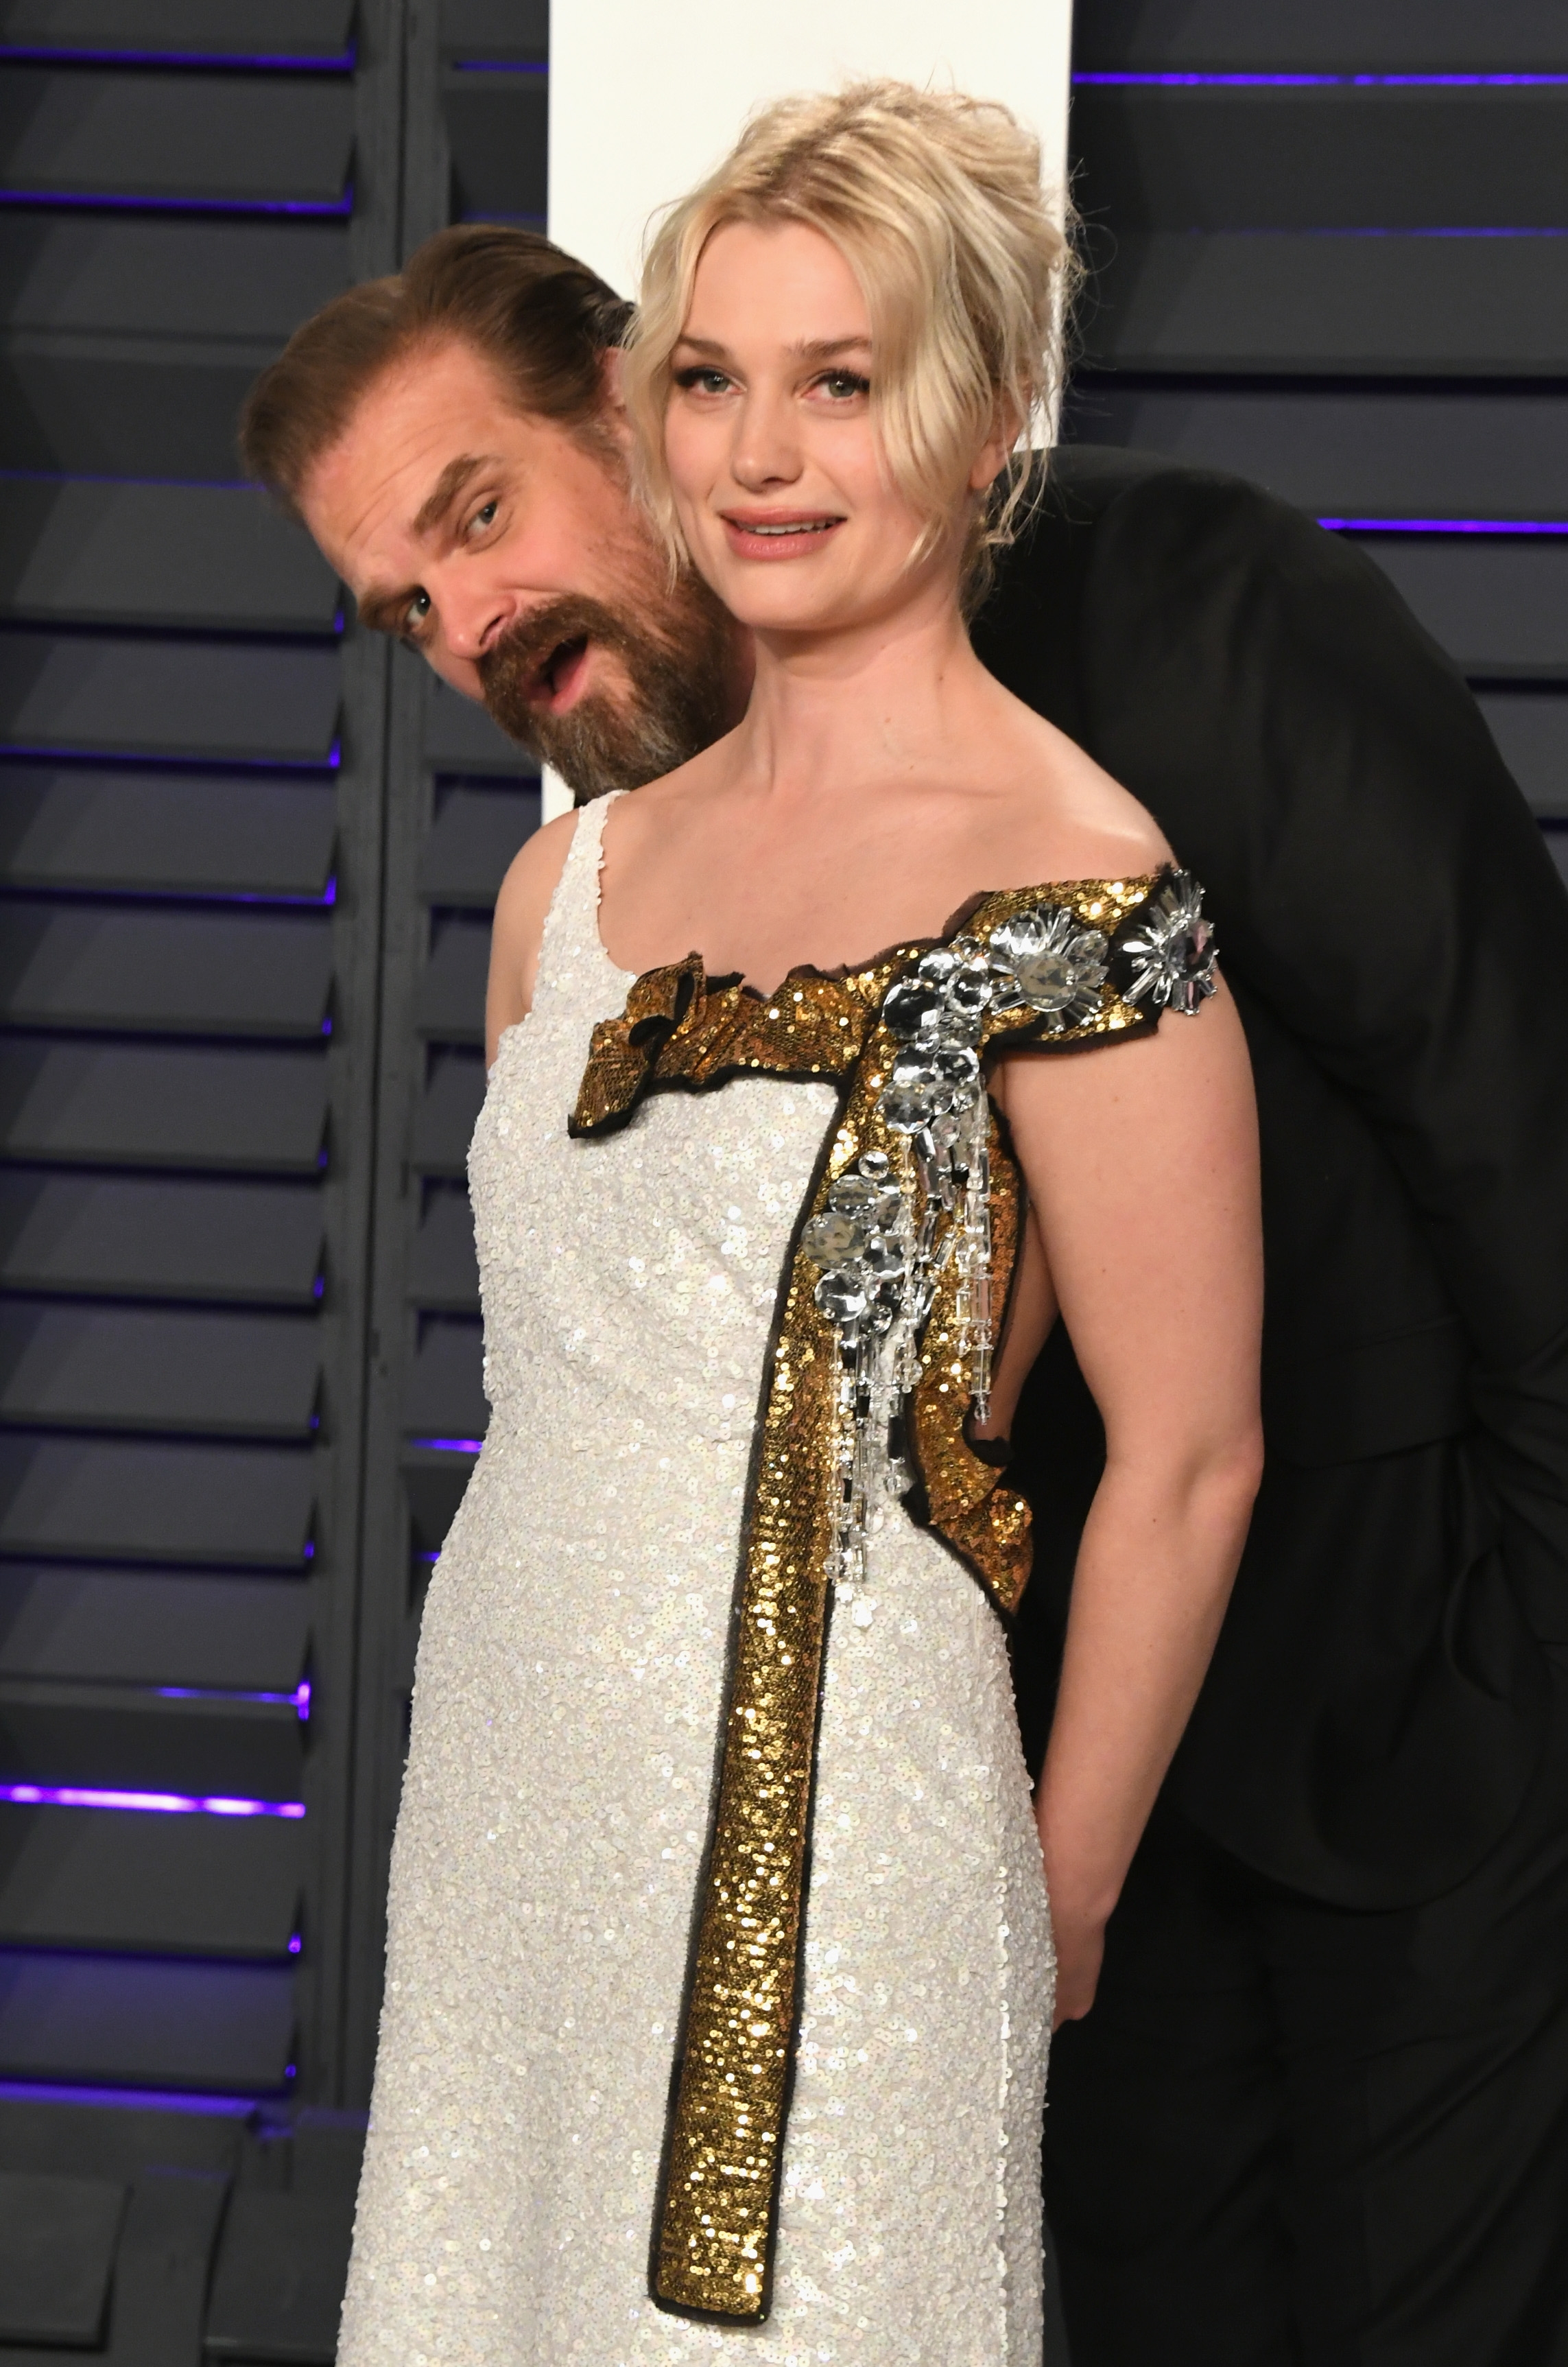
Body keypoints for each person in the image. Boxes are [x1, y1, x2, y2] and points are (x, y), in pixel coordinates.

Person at [239, 117, 1568, 2367]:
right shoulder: (582, 879)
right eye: (404, 609)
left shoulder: (1184, 658)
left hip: (1383, 1754)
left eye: (479, 519)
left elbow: (1509, 1176)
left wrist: (1505, 1713)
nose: (468, 629)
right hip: (641, 1832)